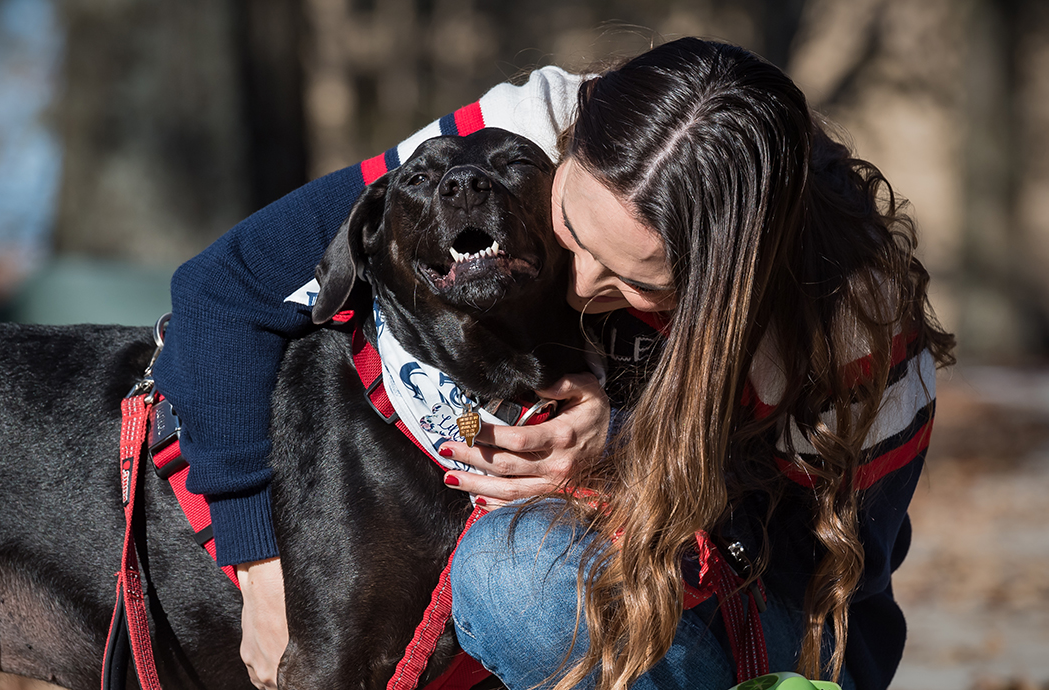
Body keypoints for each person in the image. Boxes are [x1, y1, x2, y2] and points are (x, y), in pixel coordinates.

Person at [152, 37, 954, 690]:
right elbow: (225, 288)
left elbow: (826, 584)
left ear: (729, 282)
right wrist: (259, 571)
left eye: (638, 283)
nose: (577, 281)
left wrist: (629, 454)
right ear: (566, 149)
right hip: (615, 574)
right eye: (570, 223)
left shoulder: (854, 330)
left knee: (515, 577)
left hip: (763, 622)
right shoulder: (521, 131)